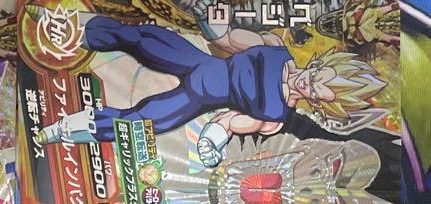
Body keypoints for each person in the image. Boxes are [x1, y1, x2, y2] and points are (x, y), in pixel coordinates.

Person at [34, 17, 385, 167]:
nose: (312, 84)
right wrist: (207, 16)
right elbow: (226, 38)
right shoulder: (275, 48)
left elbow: (228, 122)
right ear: (321, 62)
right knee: (137, 37)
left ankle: (61, 130)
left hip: (194, 101)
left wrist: (210, 143)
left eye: (322, 92)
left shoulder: (275, 117)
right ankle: (69, 32)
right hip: (195, 61)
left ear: (322, 105)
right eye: (321, 76)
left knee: (138, 124)